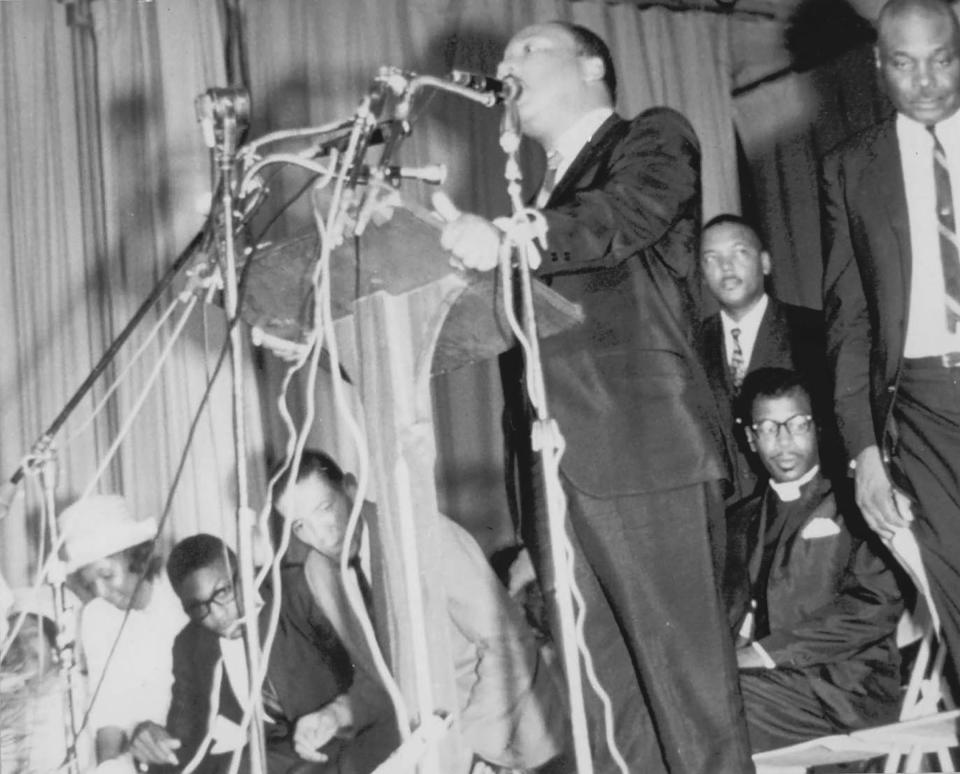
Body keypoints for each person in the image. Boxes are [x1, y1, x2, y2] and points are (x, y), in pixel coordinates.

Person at [437, 20, 752, 774]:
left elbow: (625, 214)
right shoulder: (536, 196)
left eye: (527, 51)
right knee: (607, 713)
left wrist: (517, 238)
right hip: (559, 480)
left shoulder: (648, 141)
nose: (507, 65)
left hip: (647, 459)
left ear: (592, 64)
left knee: (689, 706)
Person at [821, 0, 960, 682]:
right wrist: (865, 454)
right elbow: (851, 323)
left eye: (943, 58)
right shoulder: (850, 169)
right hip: (922, 409)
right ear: (879, 67)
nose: (927, 81)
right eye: (905, 63)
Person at [274, 449, 566, 773]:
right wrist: (336, 715)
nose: (321, 535)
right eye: (300, 525)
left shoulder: (423, 534)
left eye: (325, 508)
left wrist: (469, 747)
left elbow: (508, 642)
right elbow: (383, 676)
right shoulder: (319, 572)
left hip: (514, 739)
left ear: (350, 488)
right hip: (438, 745)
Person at [725, 368, 904, 752]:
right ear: (751, 439)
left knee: (707, 707)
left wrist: (760, 654)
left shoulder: (857, 506)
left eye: (797, 424)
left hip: (842, 691)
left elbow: (874, 605)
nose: (784, 441)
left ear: (817, 427)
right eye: (768, 428)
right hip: (765, 688)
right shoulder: (739, 521)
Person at [128, 533, 393, 774]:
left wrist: (336, 714)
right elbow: (184, 743)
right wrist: (148, 741)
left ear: (243, 570)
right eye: (198, 608)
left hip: (348, 744)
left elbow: (377, 675)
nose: (219, 616)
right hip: (272, 761)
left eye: (224, 592)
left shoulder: (298, 592)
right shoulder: (190, 645)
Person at [698, 214, 827, 502]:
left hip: (809, 510)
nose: (726, 266)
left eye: (739, 252)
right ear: (703, 276)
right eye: (711, 258)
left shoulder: (817, 332)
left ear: (765, 263)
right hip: (728, 520)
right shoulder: (689, 347)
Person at [58, 494, 186, 769]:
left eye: (106, 575)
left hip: (192, 738)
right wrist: (109, 767)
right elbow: (107, 711)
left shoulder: (178, 593)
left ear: (137, 556)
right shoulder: (97, 617)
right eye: (92, 585)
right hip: (138, 755)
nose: (102, 593)